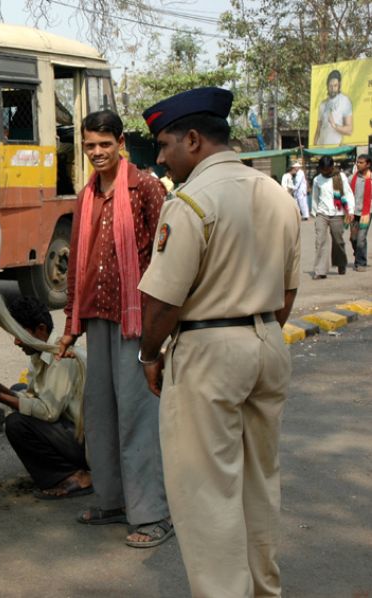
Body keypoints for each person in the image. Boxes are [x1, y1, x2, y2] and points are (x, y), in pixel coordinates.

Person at [138, 86, 300, 597]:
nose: (161, 157)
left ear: (192, 139)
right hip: (267, 342)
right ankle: (264, 590)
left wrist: (149, 354)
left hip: (208, 351)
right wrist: (259, 329)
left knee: (207, 496)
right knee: (258, 487)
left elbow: (163, 302)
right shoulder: (277, 194)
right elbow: (288, 291)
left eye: (165, 145)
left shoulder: (190, 201)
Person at [56, 109, 172, 548]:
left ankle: (153, 514)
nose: (97, 153)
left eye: (105, 144)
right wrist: (70, 324)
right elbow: (76, 271)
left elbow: (167, 260)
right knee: (101, 416)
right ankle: (112, 501)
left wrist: (160, 329)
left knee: (138, 419)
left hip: (136, 320)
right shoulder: (85, 196)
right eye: (89, 145)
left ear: (121, 142)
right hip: (96, 318)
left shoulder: (145, 187)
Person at [0, 296, 91, 499]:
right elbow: (33, 395)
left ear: (40, 329)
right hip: (69, 430)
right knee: (17, 389)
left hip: (88, 443)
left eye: (19, 334)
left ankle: (75, 476)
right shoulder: (39, 354)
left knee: (16, 424)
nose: (16, 341)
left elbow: (48, 412)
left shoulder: (63, 358)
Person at [311, 155, 354, 279]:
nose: (324, 172)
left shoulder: (341, 177)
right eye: (322, 169)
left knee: (338, 241)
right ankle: (320, 270)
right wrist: (315, 213)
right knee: (320, 241)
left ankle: (341, 263)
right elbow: (315, 197)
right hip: (322, 213)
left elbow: (348, 193)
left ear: (332, 167)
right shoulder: (317, 179)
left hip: (337, 213)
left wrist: (350, 211)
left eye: (327, 169)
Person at [313, 70, 353, 146]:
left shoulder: (345, 101)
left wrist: (334, 125)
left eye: (335, 85)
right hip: (321, 149)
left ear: (339, 85)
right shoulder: (322, 104)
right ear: (327, 86)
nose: (332, 89)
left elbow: (349, 130)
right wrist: (315, 148)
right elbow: (318, 130)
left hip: (335, 149)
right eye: (330, 86)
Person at [349, 154, 371, 271]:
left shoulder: (371, 179)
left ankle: (361, 263)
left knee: (361, 238)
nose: (358, 164)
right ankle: (358, 254)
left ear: (368, 164)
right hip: (353, 212)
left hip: (366, 213)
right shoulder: (353, 178)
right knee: (353, 239)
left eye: (361, 162)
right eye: (357, 162)